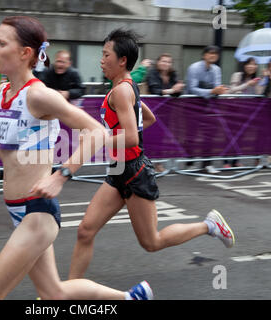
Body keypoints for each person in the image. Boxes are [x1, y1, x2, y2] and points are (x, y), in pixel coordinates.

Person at [0, 16, 152, 301]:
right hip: (16, 212)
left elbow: (96, 132)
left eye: (1, 43)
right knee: (54, 294)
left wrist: (62, 175)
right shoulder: (0, 94)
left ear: (25, 53)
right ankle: (130, 298)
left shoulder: (39, 95)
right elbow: (1, 151)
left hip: (37, 212)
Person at [68, 29, 235, 281]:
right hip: (118, 170)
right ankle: (67, 293)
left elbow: (133, 137)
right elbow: (148, 118)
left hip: (134, 172)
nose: (101, 60)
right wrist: (112, 136)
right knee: (85, 231)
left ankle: (209, 226)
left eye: (106, 54)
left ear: (122, 60)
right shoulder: (123, 87)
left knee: (151, 242)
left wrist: (99, 138)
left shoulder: (122, 91)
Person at [185, 45, 229, 174]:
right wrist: (212, 91)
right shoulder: (194, 68)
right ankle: (190, 163)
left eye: (215, 54)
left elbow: (217, 87)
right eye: (210, 53)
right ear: (204, 55)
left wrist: (219, 90)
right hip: (192, 106)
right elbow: (192, 88)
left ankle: (207, 163)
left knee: (209, 135)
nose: (212, 56)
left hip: (210, 106)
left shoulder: (217, 69)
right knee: (191, 135)